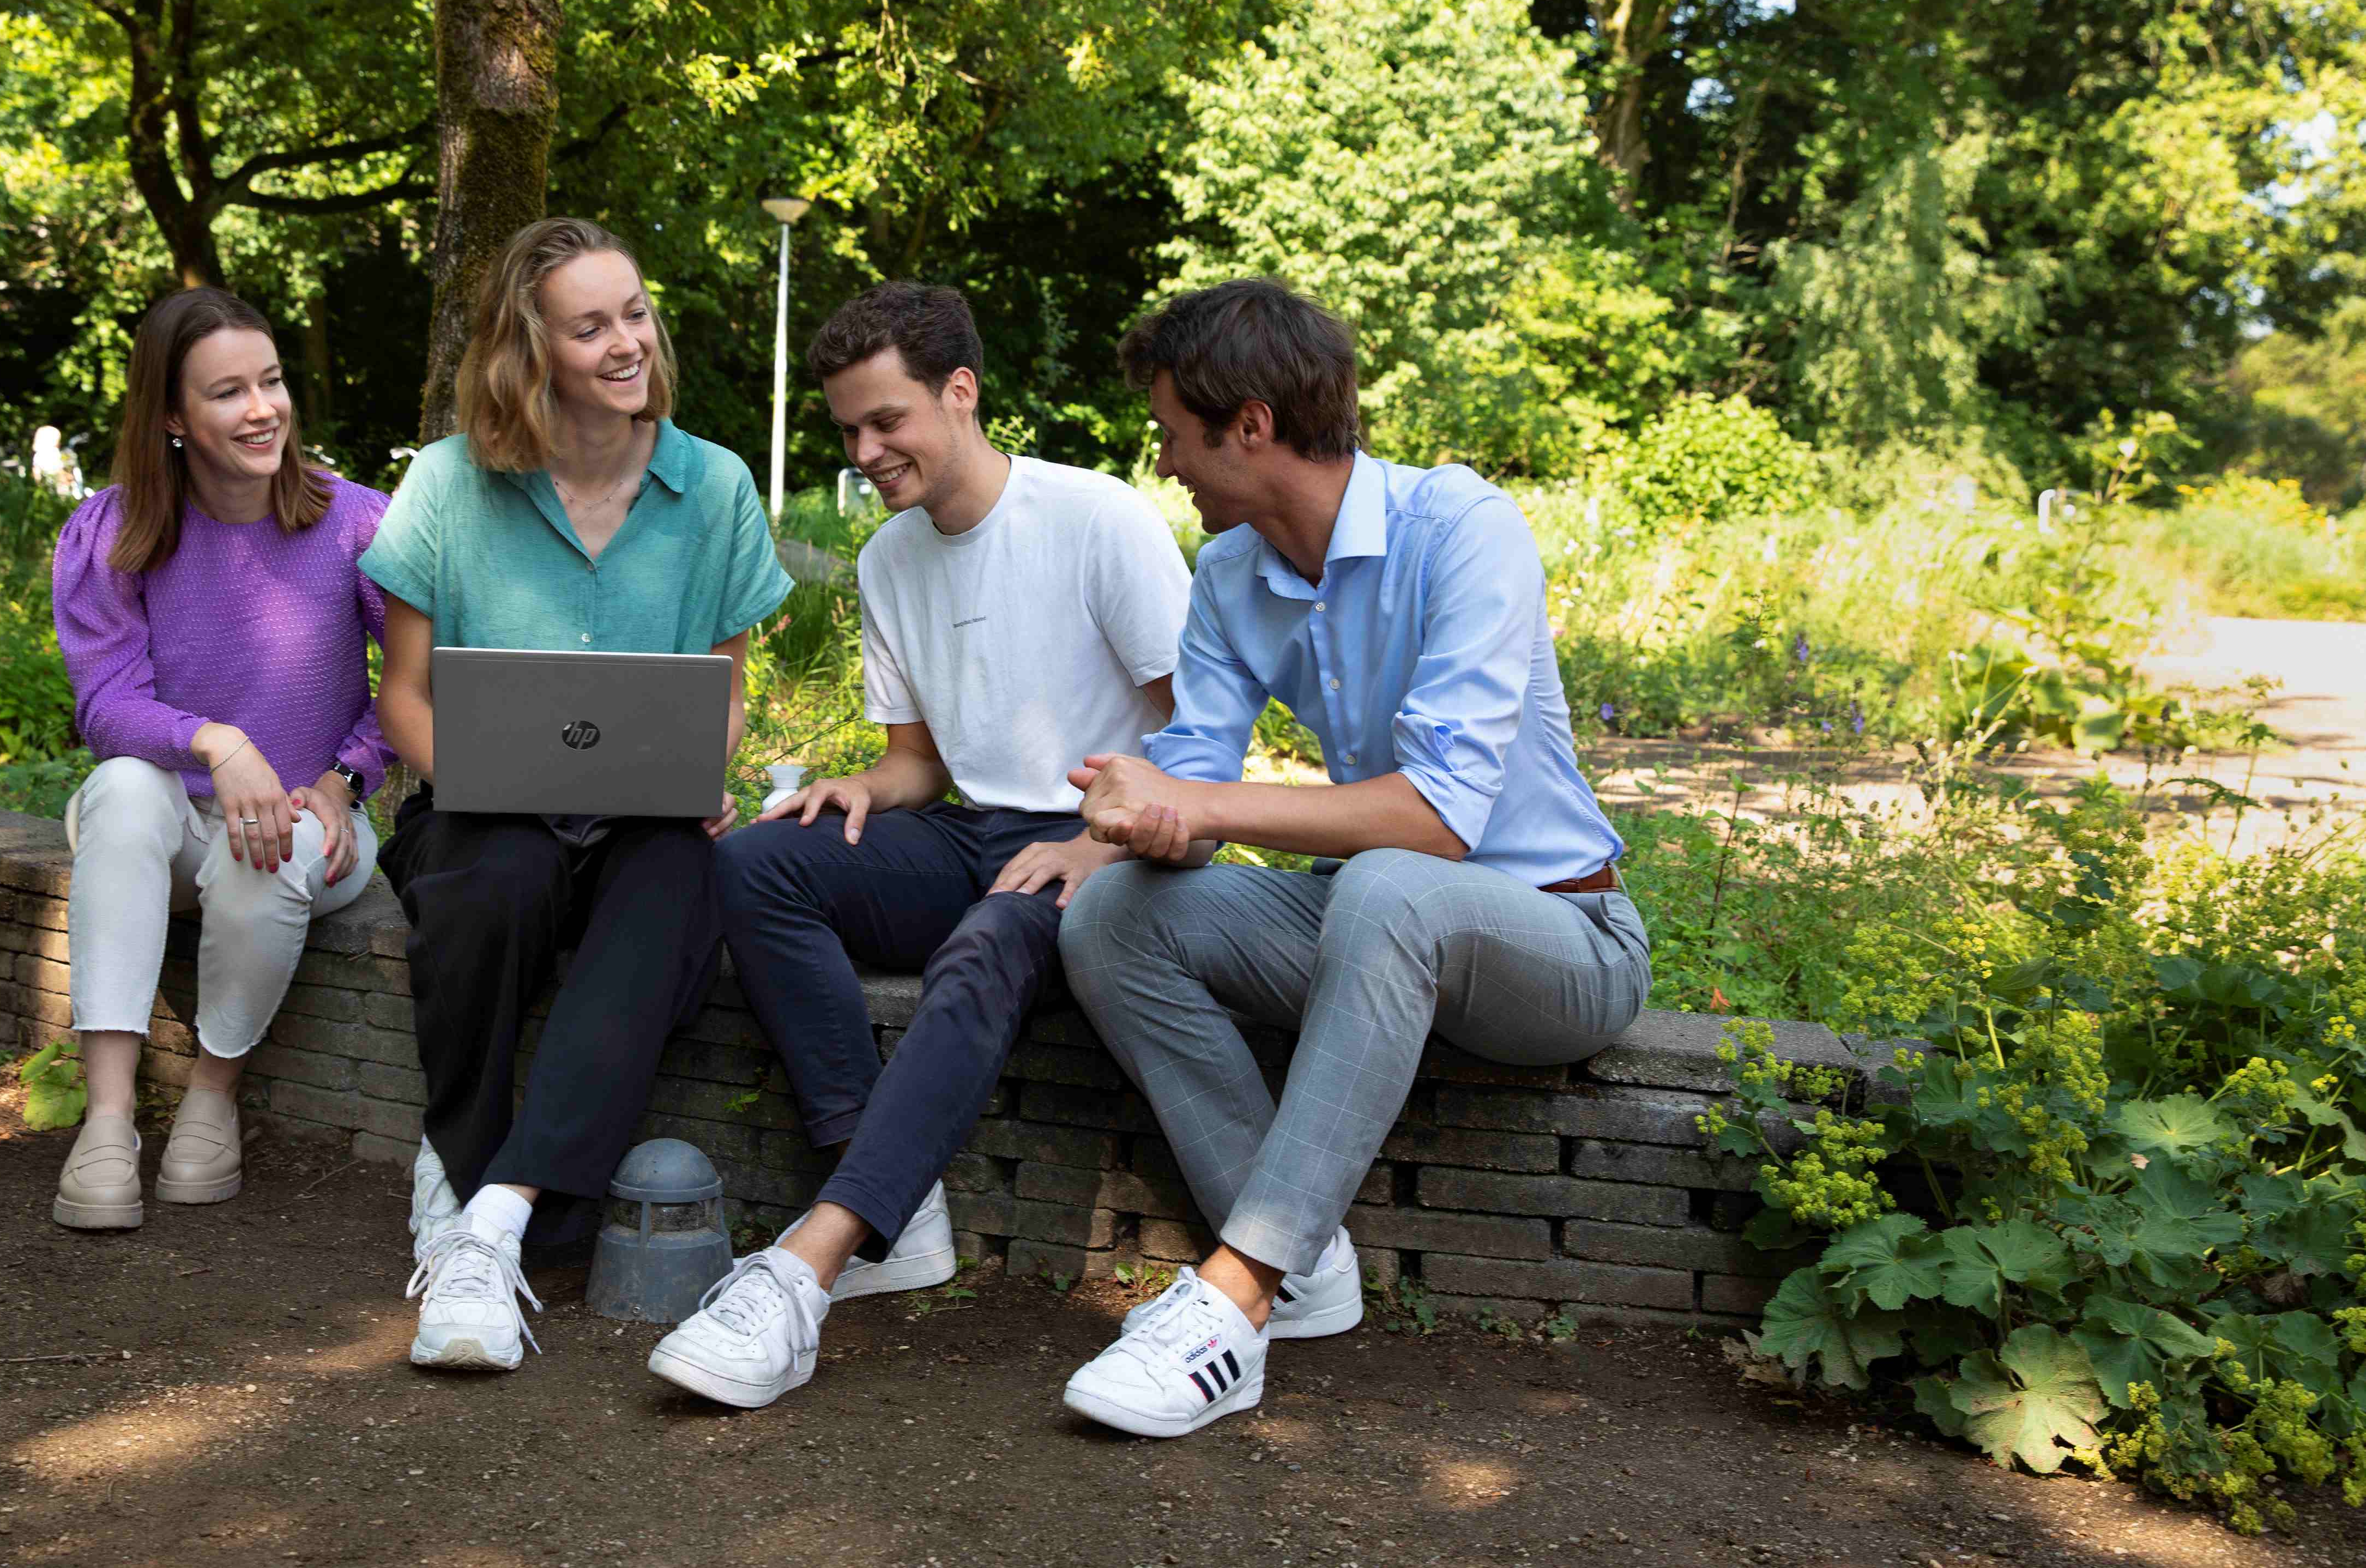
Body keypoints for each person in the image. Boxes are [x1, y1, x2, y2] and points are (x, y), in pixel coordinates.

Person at [1053, 279, 1649, 1438]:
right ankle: (1305, 1264)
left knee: (1387, 879)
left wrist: (1201, 798)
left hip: (1564, 940)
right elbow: (1195, 770)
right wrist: (1129, 817)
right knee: (1113, 916)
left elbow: (1438, 818)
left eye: (1173, 429)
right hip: (1383, 929)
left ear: (1254, 424)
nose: (1165, 459)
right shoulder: (1230, 574)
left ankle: (1235, 1298)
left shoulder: (1463, 527)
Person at [645, 283, 1195, 1410]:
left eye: (886, 419)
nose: (866, 448)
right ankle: (901, 1207)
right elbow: (921, 762)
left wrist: (1108, 848)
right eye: (848, 428)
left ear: (961, 391)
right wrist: (862, 784)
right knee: (754, 860)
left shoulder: (1099, 519)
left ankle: (813, 1261)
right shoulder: (894, 557)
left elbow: (1199, 733)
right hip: (970, 830)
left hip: (1111, 840)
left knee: (987, 943)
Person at [363, 216, 790, 1373]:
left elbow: (728, 688)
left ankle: (483, 1219)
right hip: (482, 807)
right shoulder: (450, 483)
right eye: (591, 323)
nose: (626, 342)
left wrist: (701, 762)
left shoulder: (717, 486)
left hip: (646, 814)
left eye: (636, 312)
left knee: (677, 892)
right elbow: (403, 696)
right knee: (492, 884)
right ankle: (470, 1175)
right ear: (529, 346)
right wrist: (489, 771)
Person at [50, 287, 393, 1231]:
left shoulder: (359, 525)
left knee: (275, 849)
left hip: (308, 825)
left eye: (273, 382)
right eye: (228, 392)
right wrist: (217, 741)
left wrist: (343, 776)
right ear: (171, 416)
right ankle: (109, 1122)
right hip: (164, 825)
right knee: (121, 790)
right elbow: (106, 705)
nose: (262, 409)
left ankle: (211, 1096)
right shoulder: (114, 530)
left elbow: (419, 680)